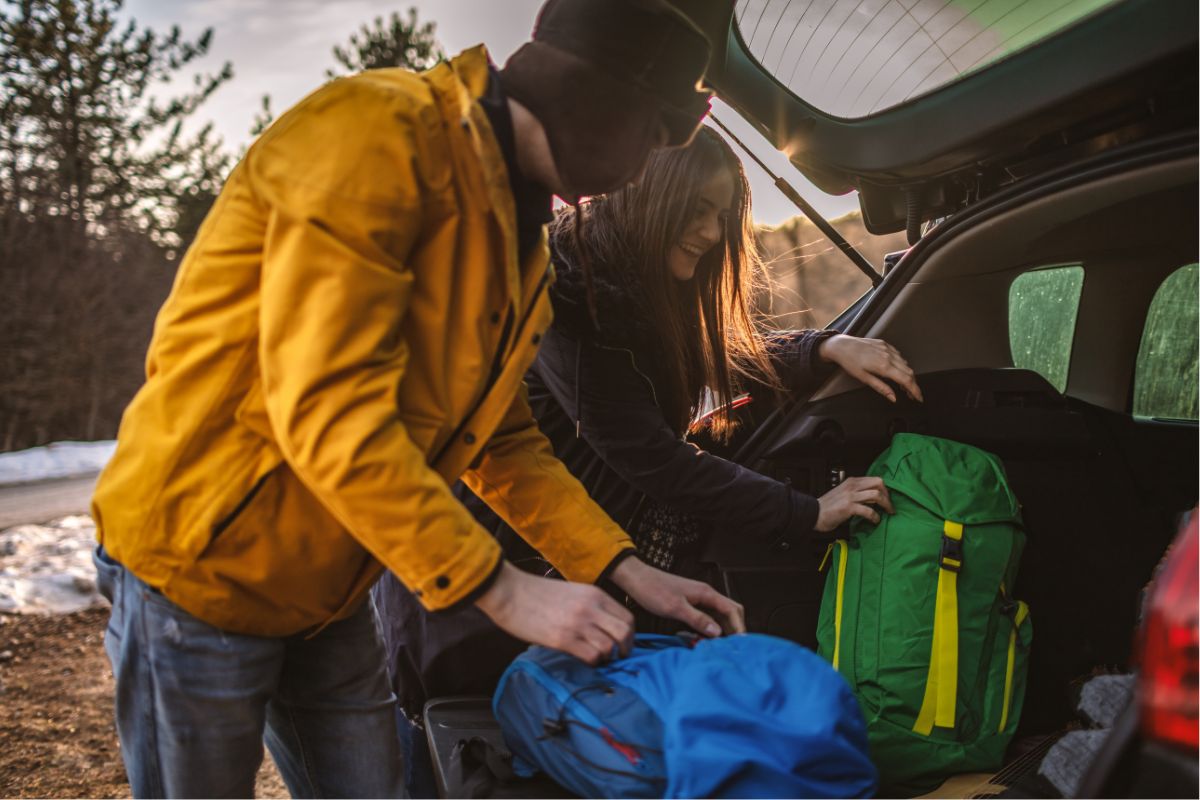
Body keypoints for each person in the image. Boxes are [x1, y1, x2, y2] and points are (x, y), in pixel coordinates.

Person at [87, 0, 746, 796]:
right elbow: (326, 405)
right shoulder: (377, 138)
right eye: (653, 136)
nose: (647, 166)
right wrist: (500, 589)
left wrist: (623, 568)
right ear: (604, 103)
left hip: (333, 580)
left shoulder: (518, 240)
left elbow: (502, 443)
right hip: (201, 566)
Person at [375, 126, 925, 790]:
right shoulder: (570, 301)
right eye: (697, 208)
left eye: (722, 213)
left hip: (562, 569)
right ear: (649, 199)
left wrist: (822, 348)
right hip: (475, 583)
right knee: (447, 770)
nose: (712, 229)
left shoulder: (634, 288)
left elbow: (710, 351)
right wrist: (807, 512)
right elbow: (654, 460)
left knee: (552, 752)